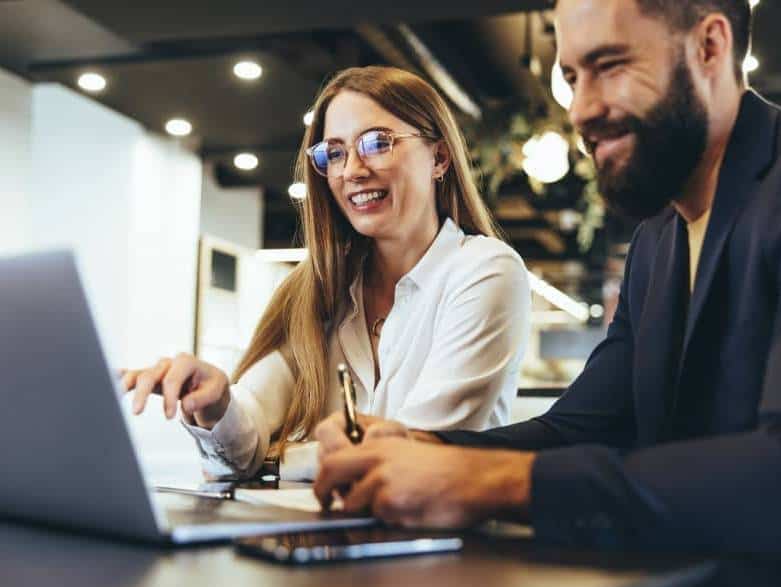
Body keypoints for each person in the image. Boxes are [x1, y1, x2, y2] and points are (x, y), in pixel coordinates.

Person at [312, 1, 781, 587]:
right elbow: (584, 427)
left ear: (710, 47)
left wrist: (493, 482)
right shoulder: (658, 238)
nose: (582, 109)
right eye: (570, 78)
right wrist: (423, 447)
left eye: (609, 65)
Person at [122, 66, 531, 481]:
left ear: (439, 158)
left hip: (444, 541)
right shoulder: (323, 290)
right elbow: (246, 431)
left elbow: (413, 452)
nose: (351, 169)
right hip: (326, 540)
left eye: (377, 143)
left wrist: (276, 461)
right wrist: (217, 404)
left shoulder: (485, 271)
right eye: (334, 152)